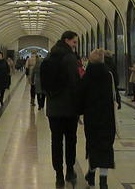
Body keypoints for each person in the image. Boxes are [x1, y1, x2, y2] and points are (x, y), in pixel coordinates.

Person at [44, 30, 81, 187]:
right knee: (71, 139)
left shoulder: (50, 56)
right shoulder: (70, 58)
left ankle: (58, 174)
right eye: (74, 42)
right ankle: (70, 171)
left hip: (53, 107)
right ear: (67, 40)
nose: (75, 45)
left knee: (56, 141)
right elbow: (75, 82)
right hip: (69, 107)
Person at [79, 49, 120, 188]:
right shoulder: (108, 75)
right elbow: (115, 92)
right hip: (107, 116)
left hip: (92, 117)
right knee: (106, 146)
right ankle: (103, 181)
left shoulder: (86, 76)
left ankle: (91, 174)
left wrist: (79, 113)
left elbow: (82, 96)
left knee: (93, 145)